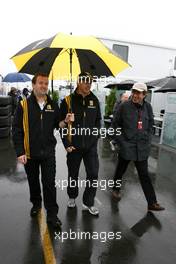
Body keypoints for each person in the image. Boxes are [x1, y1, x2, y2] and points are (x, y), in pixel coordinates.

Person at [12, 72, 64, 228]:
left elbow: (58, 124)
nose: (44, 86)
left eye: (46, 83)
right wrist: (20, 152)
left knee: (49, 183)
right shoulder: (24, 105)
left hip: (48, 152)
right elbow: (16, 129)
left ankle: (52, 214)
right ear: (33, 85)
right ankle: (36, 204)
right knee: (33, 182)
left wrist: (65, 121)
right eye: (41, 83)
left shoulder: (53, 104)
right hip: (30, 153)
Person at [112, 83, 165, 211]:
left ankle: (152, 203)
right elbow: (115, 126)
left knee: (144, 175)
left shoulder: (148, 107)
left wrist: (147, 138)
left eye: (138, 93)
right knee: (120, 169)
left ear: (144, 94)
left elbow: (151, 124)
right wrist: (121, 143)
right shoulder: (124, 106)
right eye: (134, 92)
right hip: (127, 147)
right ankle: (115, 188)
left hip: (141, 148)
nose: (135, 95)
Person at [59, 72, 101, 215]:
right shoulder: (68, 101)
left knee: (93, 174)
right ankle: (72, 196)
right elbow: (61, 126)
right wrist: (66, 143)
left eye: (90, 81)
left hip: (90, 146)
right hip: (74, 146)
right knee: (73, 174)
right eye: (85, 81)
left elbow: (97, 122)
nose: (88, 84)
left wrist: (94, 138)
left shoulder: (94, 100)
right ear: (78, 82)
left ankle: (89, 202)